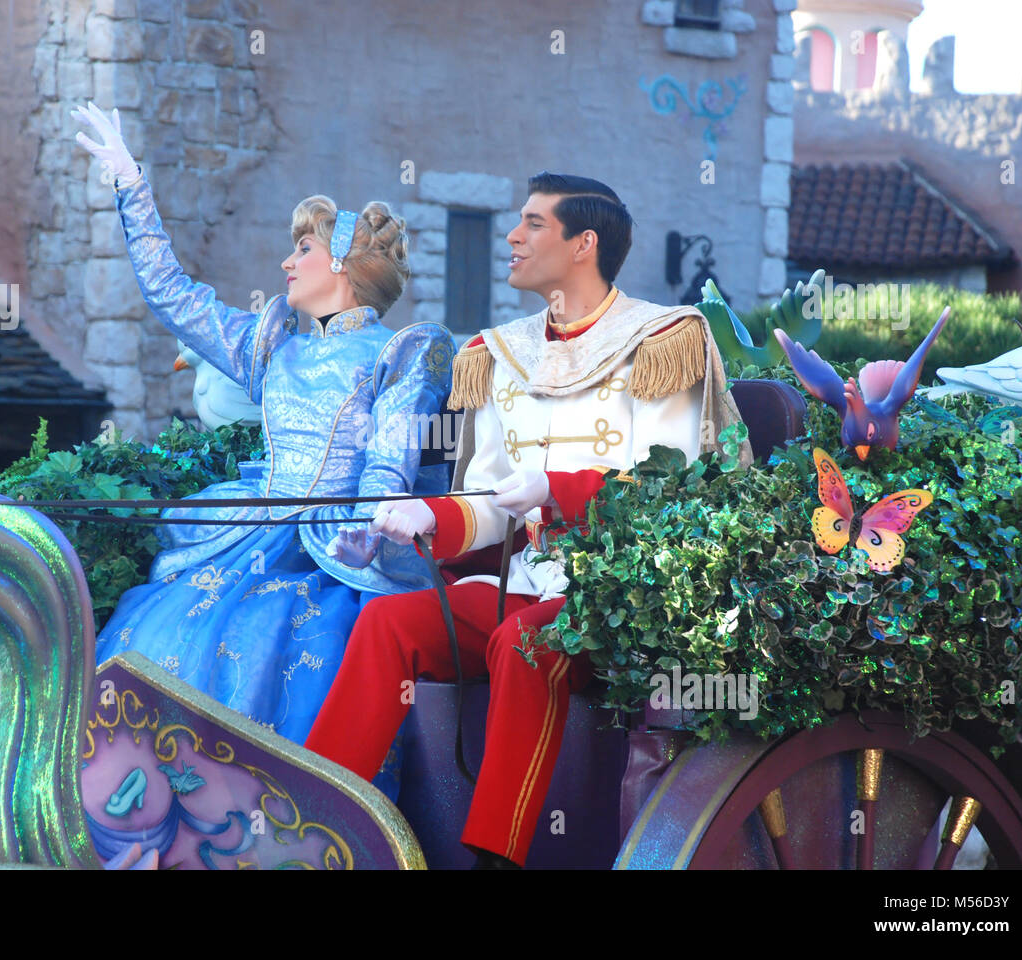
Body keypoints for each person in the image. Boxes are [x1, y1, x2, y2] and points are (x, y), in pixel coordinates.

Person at [306, 172, 754, 868]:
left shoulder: (664, 339)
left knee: (524, 642)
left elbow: (672, 492)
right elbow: (491, 504)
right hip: (521, 579)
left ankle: (494, 854)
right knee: (387, 623)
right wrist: (416, 518)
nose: (512, 236)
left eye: (533, 224)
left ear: (584, 244)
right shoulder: (500, 354)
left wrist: (554, 487)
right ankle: (313, 827)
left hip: (624, 595)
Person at [71, 102, 455, 758]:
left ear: (341, 266)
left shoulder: (400, 353)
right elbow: (172, 297)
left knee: (263, 638)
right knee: (164, 628)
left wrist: (371, 534)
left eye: (302, 249)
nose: (286, 262)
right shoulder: (274, 346)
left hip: (334, 550)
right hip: (245, 529)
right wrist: (131, 186)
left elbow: (388, 469)